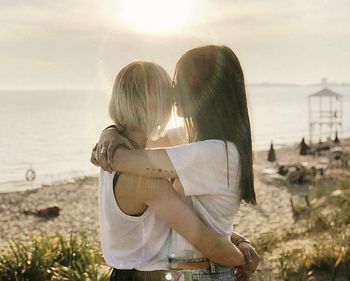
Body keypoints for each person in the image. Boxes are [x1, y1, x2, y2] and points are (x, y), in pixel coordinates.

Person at [93, 45, 259, 280]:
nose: (174, 95)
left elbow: (196, 227)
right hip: (157, 274)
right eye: (169, 89)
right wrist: (244, 257)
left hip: (165, 272)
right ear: (153, 103)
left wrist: (108, 141)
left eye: (179, 84)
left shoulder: (211, 152)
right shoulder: (149, 166)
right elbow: (201, 234)